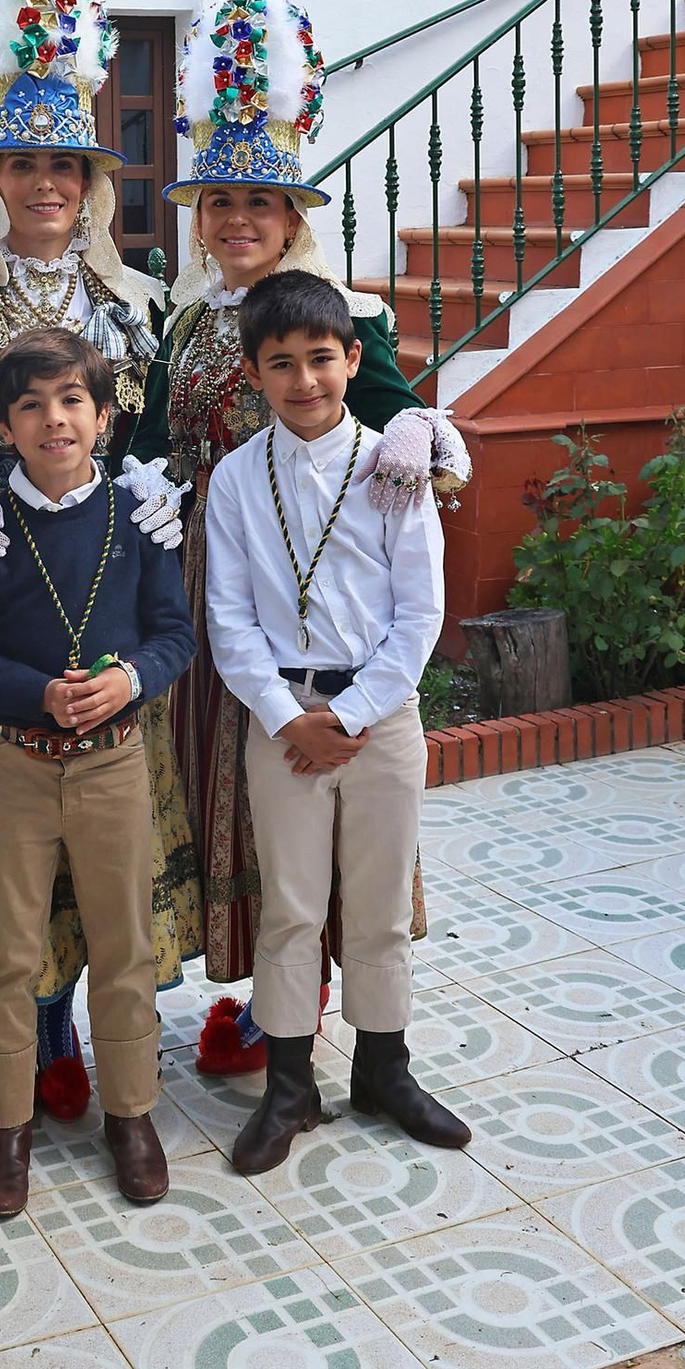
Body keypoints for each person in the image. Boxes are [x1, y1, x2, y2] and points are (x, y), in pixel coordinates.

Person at [130, 0, 469, 1076]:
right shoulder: (181, 322)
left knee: (338, 822)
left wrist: (419, 427)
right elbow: (147, 443)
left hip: (330, 605)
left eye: (260, 202)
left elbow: (413, 423)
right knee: (249, 812)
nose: (237, 219)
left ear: (292, 216)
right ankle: (272, 1001)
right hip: (220, 602)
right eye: (218, 199)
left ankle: (342, 1011)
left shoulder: (334, 319)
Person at [0, 0, 198, 1124]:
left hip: (112, 587)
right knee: (9, 838)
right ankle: (33, 1045)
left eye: (65, 168)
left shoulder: (138, 300)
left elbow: (163, 428)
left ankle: (104, 1049)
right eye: (22, 165)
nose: (45, 186)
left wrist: (161, 487)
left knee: (111, 833)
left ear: (91, 183)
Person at [205, 270, 472, 1170]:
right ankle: (288, 1088)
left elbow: (420, 611)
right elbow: (230, 620)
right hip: (281, 716)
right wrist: (288, 717)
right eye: (281, 364)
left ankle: (384, 1072)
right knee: (289, 906)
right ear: (254, 373)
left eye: (321, 359)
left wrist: (353, 713)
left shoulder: (392, 467)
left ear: (354, 360)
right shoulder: (237, 479)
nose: (304, 380)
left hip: (382, 717)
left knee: (380, 902)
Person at [0, 328, 196, 1216]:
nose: (55, 420)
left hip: (114, 764)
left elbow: (175, 636)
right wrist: (36, 692)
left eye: (72, 401)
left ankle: (132, 1113)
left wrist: (128, 680)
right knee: (6, 951)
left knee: (124, 942)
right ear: (4, 428)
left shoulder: (138, 517)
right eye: (32, 406)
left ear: (106, 417)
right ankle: (4, 1128)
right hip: (17, 764)